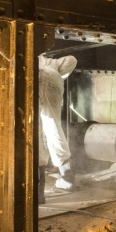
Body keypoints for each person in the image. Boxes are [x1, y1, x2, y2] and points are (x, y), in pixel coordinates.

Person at [37, 54, 77, 204]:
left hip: (33, 78)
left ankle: (38, 194)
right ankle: (68, 180)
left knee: (34, 132)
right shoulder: (54, 62)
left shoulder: (33, 56)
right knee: (54, 128)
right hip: (54, 81)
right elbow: (72, 60)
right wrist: (58, 75)